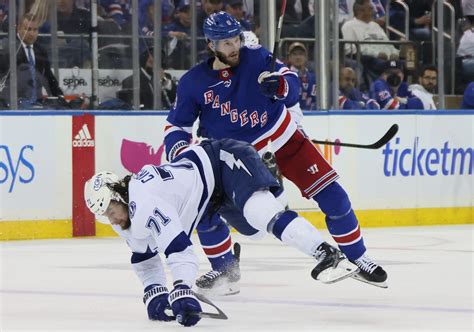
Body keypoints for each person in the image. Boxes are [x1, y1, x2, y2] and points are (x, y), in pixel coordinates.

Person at [164, 11, 388, 289]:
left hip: (282, 139)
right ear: (211, 45)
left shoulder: (258, 58)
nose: (234, 47)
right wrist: (178, 153)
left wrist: (281, 85)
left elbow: (292, 85)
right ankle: (225, 268)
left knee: (334, 196)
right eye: (226, 43)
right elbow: (177, 126)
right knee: (207, 210)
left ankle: (359, 257)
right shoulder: (193, 82)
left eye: (236, 39)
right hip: (230, 156)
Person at [84, 138, 360, 327]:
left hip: (220, 159)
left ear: (119, 193)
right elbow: (145, 259)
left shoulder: (143, 201)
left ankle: (326, 253)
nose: (111, 218)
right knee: (253, 233)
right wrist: (155, 294)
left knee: (260, 212)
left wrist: (181, 289)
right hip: (205, 195)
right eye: (104, 214)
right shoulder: (123, 216)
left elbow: (179, 248)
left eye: (110, 209)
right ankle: (267, 187)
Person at [0, 13, 64, 107]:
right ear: (18, 29)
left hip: (36, 103)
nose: (31, 33)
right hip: (12, 104)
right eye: (28, 29)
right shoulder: (8, 49)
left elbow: (48, 77)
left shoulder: (40, 51)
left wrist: (59, 96)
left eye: (35, 30)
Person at [286, 42, 317, 110]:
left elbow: (316, 99)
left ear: (306, 57)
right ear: (289, 58)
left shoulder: (313, 77)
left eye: (301, 54)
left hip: (312, 116)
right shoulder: (285, 76)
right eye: (294, 54)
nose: (298, 57)